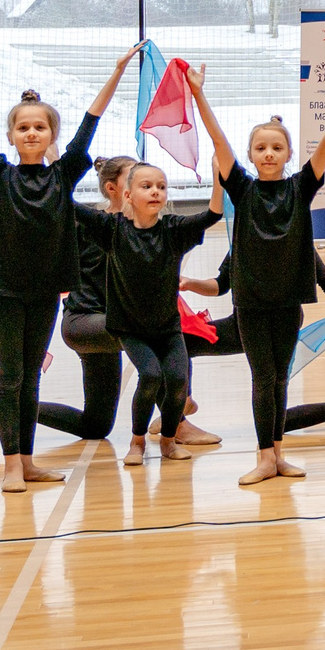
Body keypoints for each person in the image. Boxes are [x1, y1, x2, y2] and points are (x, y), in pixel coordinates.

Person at [0, 41, 137, 493]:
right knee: (11, 375)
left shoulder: (63, 175)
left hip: (46, 290)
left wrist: (117, 70)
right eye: (24, 128)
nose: (32, 133)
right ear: (13, 136)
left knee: (32, 375)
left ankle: (28, 461)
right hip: (4, 289)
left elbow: (89, 124)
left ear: (50, 135)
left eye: (40, 127)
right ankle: (11, 465)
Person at [200, 68, 325, 486]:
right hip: (252, 305)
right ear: (252, 155)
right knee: (262, 378)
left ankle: (277, 455)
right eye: (261, 148)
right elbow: (219, 141)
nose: (269, 153)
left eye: (277, 147)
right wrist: (200, 96)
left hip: (289, 303)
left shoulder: (300, 188)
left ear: (288, 154)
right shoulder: (241, 188)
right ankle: (263, 457)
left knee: (280, 379)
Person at [0, 154, 135, 446]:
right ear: (112, 188)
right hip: (84, 321)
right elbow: (53, 202)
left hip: (111, 324)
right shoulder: (90, 222)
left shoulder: (147, 228)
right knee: (158, 332)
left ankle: (4, 406)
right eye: (133, 178)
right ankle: (179, 423)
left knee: (96, 426)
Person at [75, 155, 223, 465]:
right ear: (127, 195)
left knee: (178, 379)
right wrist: (57, 173)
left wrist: (217, 177)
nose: (155, 191)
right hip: (130, 329)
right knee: (151, 374)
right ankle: (137, 441)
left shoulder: (173, 229)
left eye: (161, 186)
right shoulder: (112, 229)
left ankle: (168, 440)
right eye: (146, 186)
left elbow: (212, 215)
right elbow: (69, 207)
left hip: (166, 328)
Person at [182, 249, 325, 434]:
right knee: (180, 342)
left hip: (281, 327)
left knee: (272, 422)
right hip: (242, 325)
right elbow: (220, 284)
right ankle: (183, 405)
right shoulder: (243, 234)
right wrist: (190, 284)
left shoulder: (295, 238)